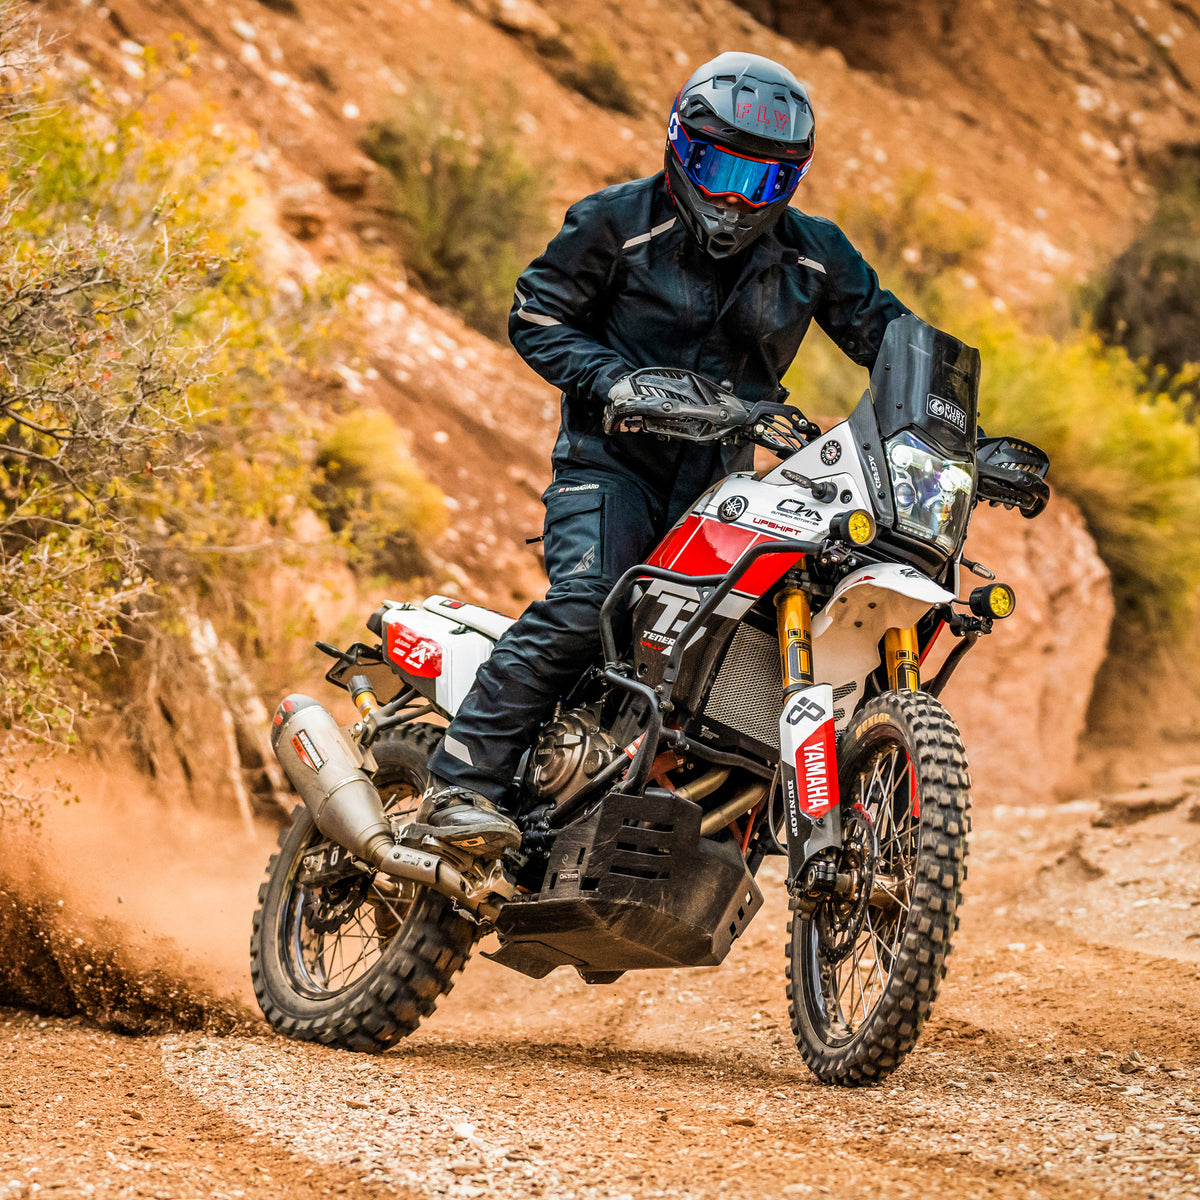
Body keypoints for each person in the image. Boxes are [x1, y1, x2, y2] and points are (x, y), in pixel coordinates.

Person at [423, 50, 909, 853]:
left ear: (788, 184)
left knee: (731, 643)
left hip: (722, 483)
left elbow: (890, 341)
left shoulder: (817, 255)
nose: (730, 195)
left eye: (758, 181)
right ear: (682, 149)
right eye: (716, 167)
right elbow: (537, 317)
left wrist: (960, 427)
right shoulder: (617, 221)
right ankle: (457, 785)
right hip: (608, 466)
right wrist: (617, 382)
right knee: (591, 604)